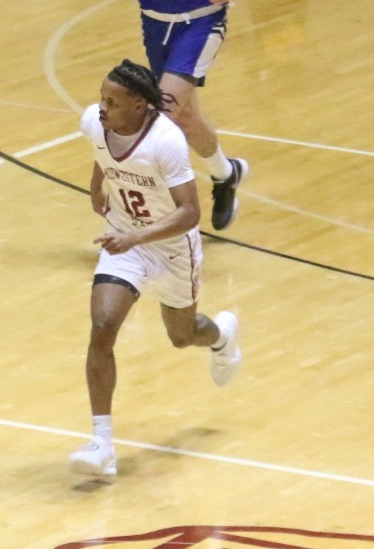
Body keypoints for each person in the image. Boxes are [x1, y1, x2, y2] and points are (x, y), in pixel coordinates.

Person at [71, 60, 241, 478]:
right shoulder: (95, 122)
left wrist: (138, 237)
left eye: (112, 102)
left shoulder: (166, 141)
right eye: (101, 98)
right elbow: (102, 151)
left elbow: (190, 213)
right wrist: (97, 188)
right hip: (123, 239)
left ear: (139, 105)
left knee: (182, 336)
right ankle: (102, 443)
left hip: (170, 248)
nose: (102, 107)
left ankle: (221, 337)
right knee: (103, 325)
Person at [139, 0, 247, 229]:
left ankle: (151, 218)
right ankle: (226, 174)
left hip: (199, 24)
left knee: (159, 119)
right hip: (154, 23)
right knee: (185, 118)